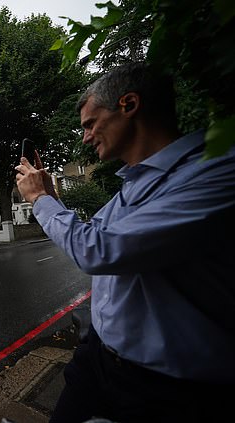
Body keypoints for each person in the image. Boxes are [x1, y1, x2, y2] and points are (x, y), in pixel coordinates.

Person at [15, 62, 235, 422]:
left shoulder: (214, 173)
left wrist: (41, 199)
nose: (85, 137)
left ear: (128, 105)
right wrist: (53, 199)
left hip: (168, 389)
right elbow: (97, 237)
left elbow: (100, 252)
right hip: (98, 359)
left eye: (90, 124)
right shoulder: (133, 185)